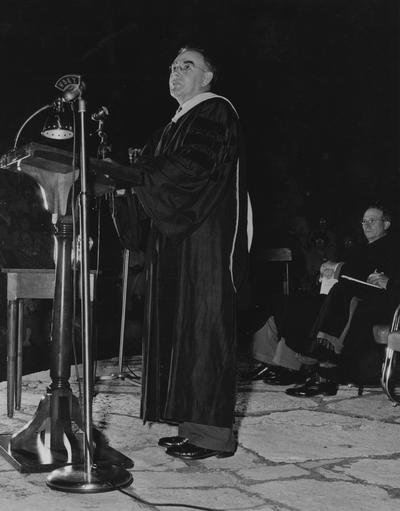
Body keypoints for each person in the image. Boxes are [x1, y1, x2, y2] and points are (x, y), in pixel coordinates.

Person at [115, 46, 251, 459]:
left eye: (186, 66)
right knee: (181, 331)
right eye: (172, 67)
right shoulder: (173, 124)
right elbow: (152, 176)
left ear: (208, 77)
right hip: (179, 240)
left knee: (205, 329)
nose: (174, 73)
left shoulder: (216, 112)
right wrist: (125, 181)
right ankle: (191, 428)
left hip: (207, 239)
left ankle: (213, 436)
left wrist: (138, 176)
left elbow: (192, 170)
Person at [285, 204, 400, 397]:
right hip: (363, 297)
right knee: (314, 300)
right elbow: (356, 270)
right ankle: (307, 367)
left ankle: (324, 374)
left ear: (386, 224)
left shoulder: (393, 247)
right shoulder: (363, 247)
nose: (367, 225)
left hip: (388, 303)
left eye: (373, 220)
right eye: (364, 221)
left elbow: (368, 274)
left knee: (343, 294)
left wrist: (389, 282)